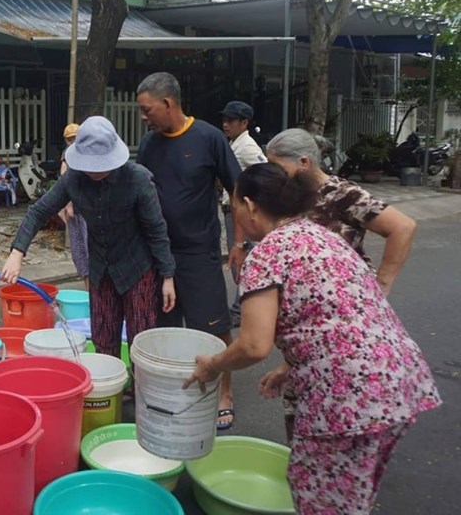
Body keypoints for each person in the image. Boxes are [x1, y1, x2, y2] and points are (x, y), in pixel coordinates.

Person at [183, 162, 441, 514]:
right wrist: (289, 366)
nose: (235, 215)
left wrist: (211, 366)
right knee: (350, 497)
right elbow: (330, 318)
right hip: (400, 383)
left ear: (252, 206)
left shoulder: (267, 254)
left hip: (348, 399)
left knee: (320, 498)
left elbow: (254, 345)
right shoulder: (322, 236)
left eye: (234, 207)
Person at [265, 127, 418, 441]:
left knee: (324, 411)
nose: (276, 177)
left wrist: (380, 289)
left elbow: (402, 227)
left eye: (280, 169)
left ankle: (325, 470)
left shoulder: (340, 193)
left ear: (305, 162)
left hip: (345, 318)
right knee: (303, 408)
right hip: (312, 322)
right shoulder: (294, 196)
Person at [1, 116, 177, 361]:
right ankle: (110, 391)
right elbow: (38, 211)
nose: (95, 170)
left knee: (140, 341)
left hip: (137, 267)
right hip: (100, 268)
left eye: (101, 164)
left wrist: (167, 276)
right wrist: (17, 253)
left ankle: (142, 395)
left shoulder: (137, 179)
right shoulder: (73, 179)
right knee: (103, 339)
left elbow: (156, 229)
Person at [135, 72, 245, 430]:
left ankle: (224, 392)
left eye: (146, 109)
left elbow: (238, 191)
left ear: (168, 104)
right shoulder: (149, 144)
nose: (143, 117)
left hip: (199, 252)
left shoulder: (209, 138)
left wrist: (238, 243)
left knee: (212, 325)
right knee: (164, 324)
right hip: (157, 255)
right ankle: (172, 387)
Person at [219, 101, 267, 324]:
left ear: (244, 123)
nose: (226, 124)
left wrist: (252, 203)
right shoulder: (234, 143)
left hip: (241, 212)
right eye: (225, 119)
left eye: (231, 120)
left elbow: (266, 174)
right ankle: (243, 307)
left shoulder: (247, 146)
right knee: (238, 258)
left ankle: (240, 310)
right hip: (232, 209)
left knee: (239, 257)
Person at [58, 123, 89, 289]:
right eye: (69, 140)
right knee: (80, 255)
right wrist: (67, 203)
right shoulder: (67, 156)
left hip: (89, 211)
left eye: (75, 138)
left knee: (92, 253)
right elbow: (64, 177)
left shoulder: (90, 154)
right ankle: (89, 294)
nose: (73, 142)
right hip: (74, 210)